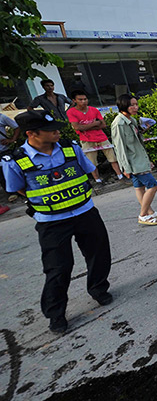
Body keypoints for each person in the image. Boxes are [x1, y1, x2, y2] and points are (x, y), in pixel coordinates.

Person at [1, 110, 113, 334]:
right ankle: (56, 314)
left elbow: (88, 170)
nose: (57, 132)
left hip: (85, 212)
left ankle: (98, 289)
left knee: (99, 254)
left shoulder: (70, 147)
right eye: (51, 130)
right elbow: (18, 188)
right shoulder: (15, 161)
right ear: (31, 133)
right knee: (58, 268)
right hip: (51, 221)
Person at [111, 94, 157, 226]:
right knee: (153, 185)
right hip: (133, 163)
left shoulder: (131, 120)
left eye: (136, 104)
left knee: (139, 188)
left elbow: (138, 142)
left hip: (139, 159)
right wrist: (125, 167)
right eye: (132, 105)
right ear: (124, 106)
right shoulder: (119, 124)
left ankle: (150, 212)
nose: (135, 107)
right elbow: (120, 148)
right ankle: (143, 215)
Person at [66, 90, 124, 183]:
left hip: (101, 137)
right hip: (86, 139)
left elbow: (103, 125)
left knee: (112, 157)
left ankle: (120, 176)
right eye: (80, 100)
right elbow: (77, 127)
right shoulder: (71, 112)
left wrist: (85, 127)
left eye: (85, 99)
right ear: (74, 100)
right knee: (91, 162)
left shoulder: (94, 110)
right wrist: (95, 124)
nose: (83, 101)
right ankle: (97, 180)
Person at [0, 112, 20, 216]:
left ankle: (17, 191)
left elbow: (16, 127)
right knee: (1, 175)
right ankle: (10, 193)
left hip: (4, 151)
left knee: (9, 171)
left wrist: (12, 139)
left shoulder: (2, 117)